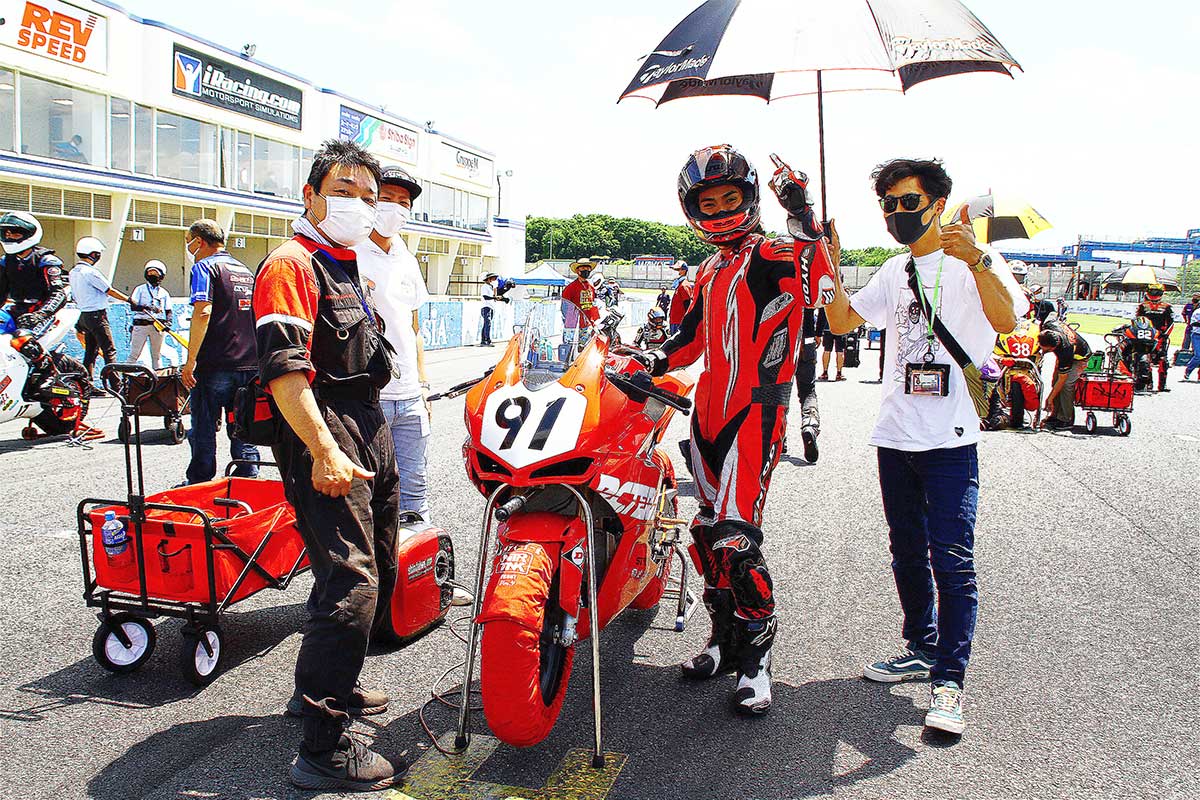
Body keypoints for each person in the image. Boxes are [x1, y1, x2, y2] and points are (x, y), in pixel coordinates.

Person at [823, 158, 1027, 736]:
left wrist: (979, 260)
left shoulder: (976, 262)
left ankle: (950, 681)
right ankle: (920, 644)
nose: (896, 213)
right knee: (907, 552)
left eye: (907, 202)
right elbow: (842, 323)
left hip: (950, 441)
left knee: (952, 561)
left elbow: (1006, 322)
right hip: (895, 437)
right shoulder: (894, 270)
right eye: (888, 205)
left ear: (937, 205)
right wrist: (831, 266)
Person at [638, 145, 836, 715]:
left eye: (730, 198)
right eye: (709, 202)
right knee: (706, 532)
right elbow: (689, 340)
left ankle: (757, 664)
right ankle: (722, 643)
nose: (721, 209)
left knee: (735, 537)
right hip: (706, 411)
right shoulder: (707, 269)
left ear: (749, 197)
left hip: (758, 408)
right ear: (691, 209)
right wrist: (649, 356)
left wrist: (803, 214)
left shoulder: (774, 251)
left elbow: (818, 283)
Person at [252, 139, 407, 791]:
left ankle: (327, 683)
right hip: (325, 425)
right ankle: (322, 747)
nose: (360, 206)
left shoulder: (347, 264)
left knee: (379, 565)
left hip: (368, 418)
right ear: (310, 196)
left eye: (369, 197)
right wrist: (323, 449)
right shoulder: (291, 263)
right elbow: (285, 373)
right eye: (344, 192)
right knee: (351, 582)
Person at [353, 166, 433, 521]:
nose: (395, 208)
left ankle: (419, 550)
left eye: (404, 202)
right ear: (371, 201)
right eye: (387, 198)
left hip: (411, 398)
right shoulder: (351, 252)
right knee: (369, 491)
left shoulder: (407, 258)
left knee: (415, 487)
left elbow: (414, 329)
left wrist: (423, 386)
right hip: (370, 396)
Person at [181, 219, 260, 484]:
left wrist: (190, 361)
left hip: (215, 363)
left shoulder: (204, 267)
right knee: (242, 424)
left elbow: (203, 311)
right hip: (249, 362)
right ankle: (247, 476)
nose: (189, 248)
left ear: (199, 241)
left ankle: (200, 481)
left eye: (189, 242)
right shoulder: (244, 270)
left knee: (203, 426)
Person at [63, 236, 133, 379]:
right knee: (109, 351)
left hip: (84, 316)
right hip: (97, 316)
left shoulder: (74, 272)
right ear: (93, 254)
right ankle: (116, 385)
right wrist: (129, 300)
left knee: (91, 352)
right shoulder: (90, 272)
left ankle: (86, 382)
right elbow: (109, 290)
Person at [0, 212, 69, 332]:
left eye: (15, 233)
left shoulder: (46, 261)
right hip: (16, 309)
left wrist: (40, 315)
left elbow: (58, 294)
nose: (9, 237)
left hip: (41, 312)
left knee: (24, 340)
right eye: (6, 233)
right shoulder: (6, 261)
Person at [1039, 322, 1091, 431]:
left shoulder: (1065, 349)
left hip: (1080, 358)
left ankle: (1066, 419)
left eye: (1046, 350)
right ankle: (1054, 415)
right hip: (1065, 354)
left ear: (1054, 347)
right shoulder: (1050, 325)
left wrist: (1049, 399)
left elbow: (1062, 380)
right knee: (1054, 382)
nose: (1043, 351)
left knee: (1066, 385)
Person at [128, 260, 173, 370]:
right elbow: (133, 306)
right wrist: (148, 308)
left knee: (156, 356)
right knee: (134, 354)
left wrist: (168, 323)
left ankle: (158, 377)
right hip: (141, 325)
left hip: (157, 327)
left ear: (161, 276)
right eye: (150, 273)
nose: (152, 275)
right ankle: (127, 376)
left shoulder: (164, 293)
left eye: (155, 273)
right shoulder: (140, 289)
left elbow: (168, 310)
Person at [791, 309, 820, 462]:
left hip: (781, 336)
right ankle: (810, 424)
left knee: (779, 390)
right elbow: (823, 302)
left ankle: (779, 435)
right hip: (807, 336)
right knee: (808, 390)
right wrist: (819, 332)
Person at [1136, 284, 1174, 392]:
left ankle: (1162, 385)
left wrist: (1165, 335)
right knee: (1145, 359)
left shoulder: (1167, 307)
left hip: (1160, 337)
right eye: (1152, 291)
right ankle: (1148, 383)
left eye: (1157, 291)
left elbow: (1171, 323)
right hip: (1146, 335)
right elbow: (1137, 320)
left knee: (1163, 360)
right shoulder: (1142, 306)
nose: (1154, 293)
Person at [561, 258, 600, 331]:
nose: (586, 270)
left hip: (589, 326)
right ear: (577, 271)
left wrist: (594, 322)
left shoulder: (591, 287)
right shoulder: (570, 288)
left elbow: (593, 306)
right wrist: (570, 326)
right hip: (574, 327)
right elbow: (564, 309)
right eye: (583, 268)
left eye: (588, 268)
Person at [817, 307, 847, 381]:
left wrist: (818, 333)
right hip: (840, 328)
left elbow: (821, 315)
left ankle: (825, 372)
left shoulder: (827, 301)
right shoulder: (843, 300)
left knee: (827, 350)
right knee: (840, 351)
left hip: (827, 328)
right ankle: (839, 373)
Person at [480, 272, 509, 346]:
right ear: (488, 279)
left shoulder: (491, 287)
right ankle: (487, 340)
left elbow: (493, 297)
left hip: (491, 307)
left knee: (486, 324)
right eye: (493, 278)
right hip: (486, 307)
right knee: (488, 323)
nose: (494, 280)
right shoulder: (484, 287)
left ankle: (483, 340)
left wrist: (503, 299)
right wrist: (494, 297)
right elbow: (485, 297)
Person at [668, 260, 693, 334]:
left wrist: (686, 322)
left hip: (679, 321)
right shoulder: (679, 285)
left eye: (678, 270)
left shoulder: (684, 285)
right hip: (675, 320)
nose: (677, 272)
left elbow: (687, 304)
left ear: (684, 271)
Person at [1183, 293, 1200, 380]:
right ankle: (1188, 370)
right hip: (1197, 335)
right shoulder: (1197, 312)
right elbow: (1193, 323)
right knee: (1198, 355)